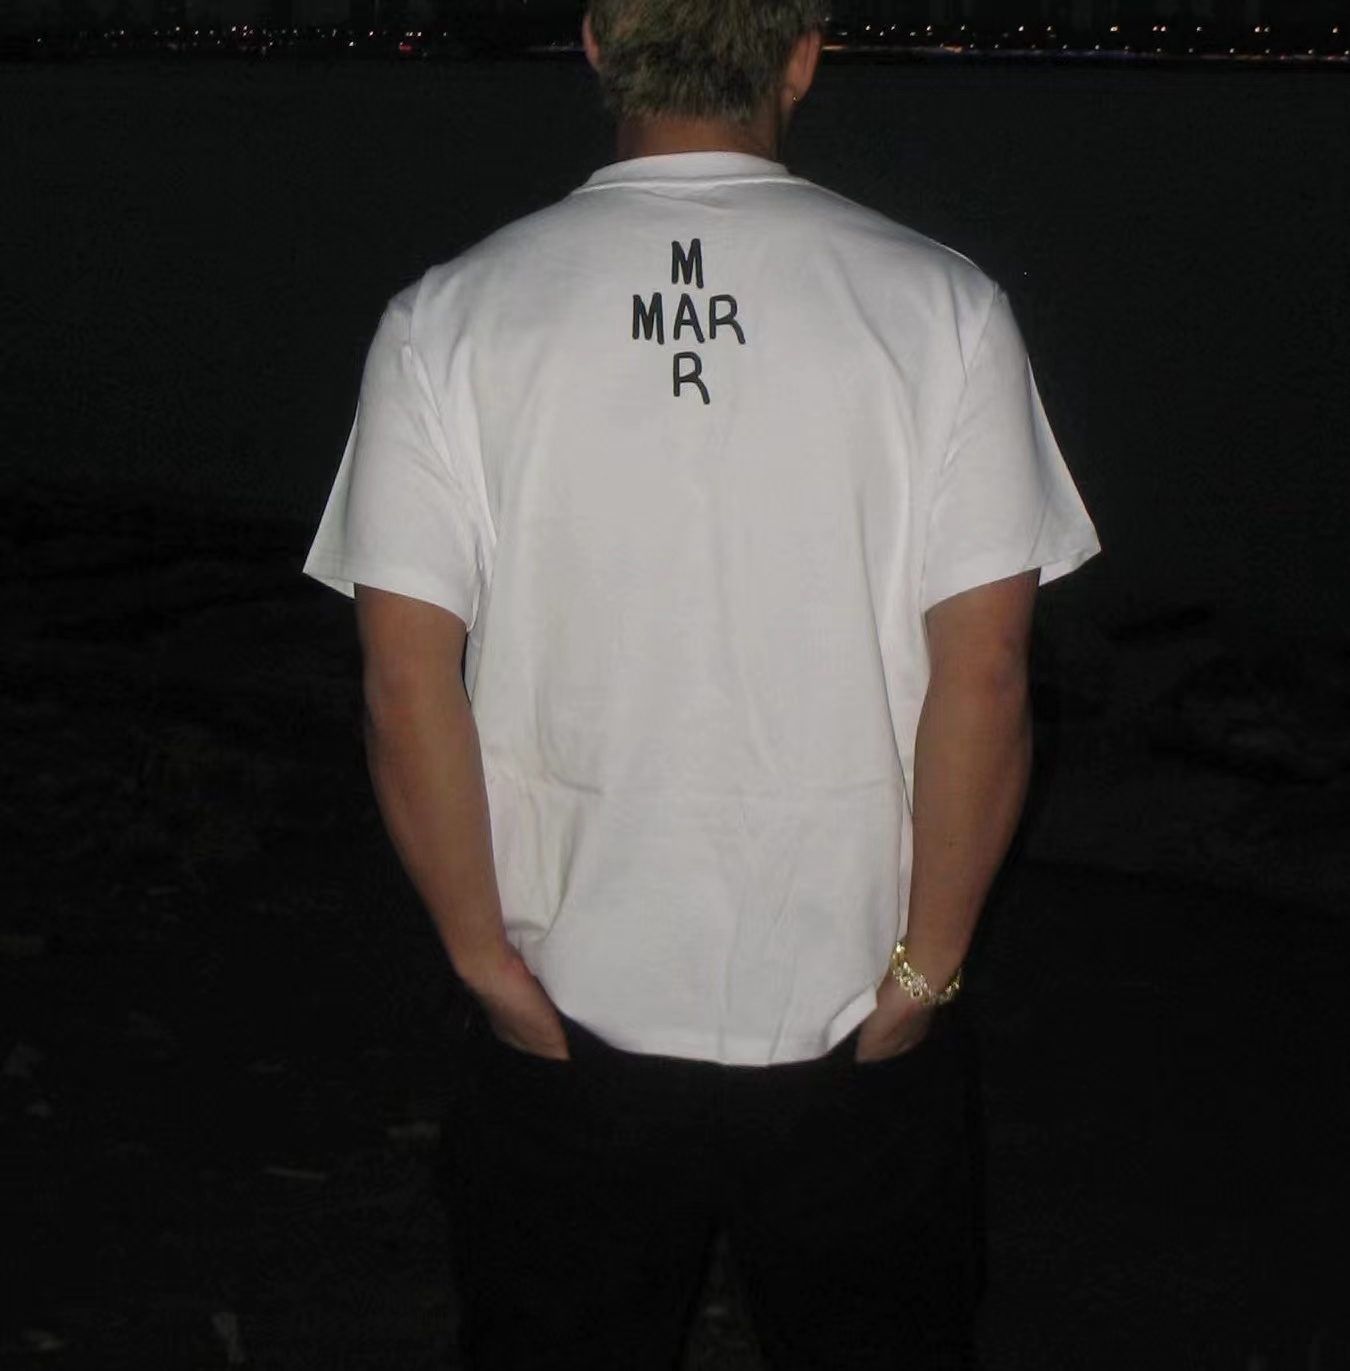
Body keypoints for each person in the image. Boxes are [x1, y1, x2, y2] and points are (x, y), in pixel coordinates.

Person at [304, 2, 1100, 1366]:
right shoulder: (943, 311)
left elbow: (404, 681)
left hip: (566, 1007)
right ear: (800, 56)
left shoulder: (448, 320)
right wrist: (926, 970)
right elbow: (985, 675)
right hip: (856, 1004)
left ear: (598, 44)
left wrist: (485, 961)